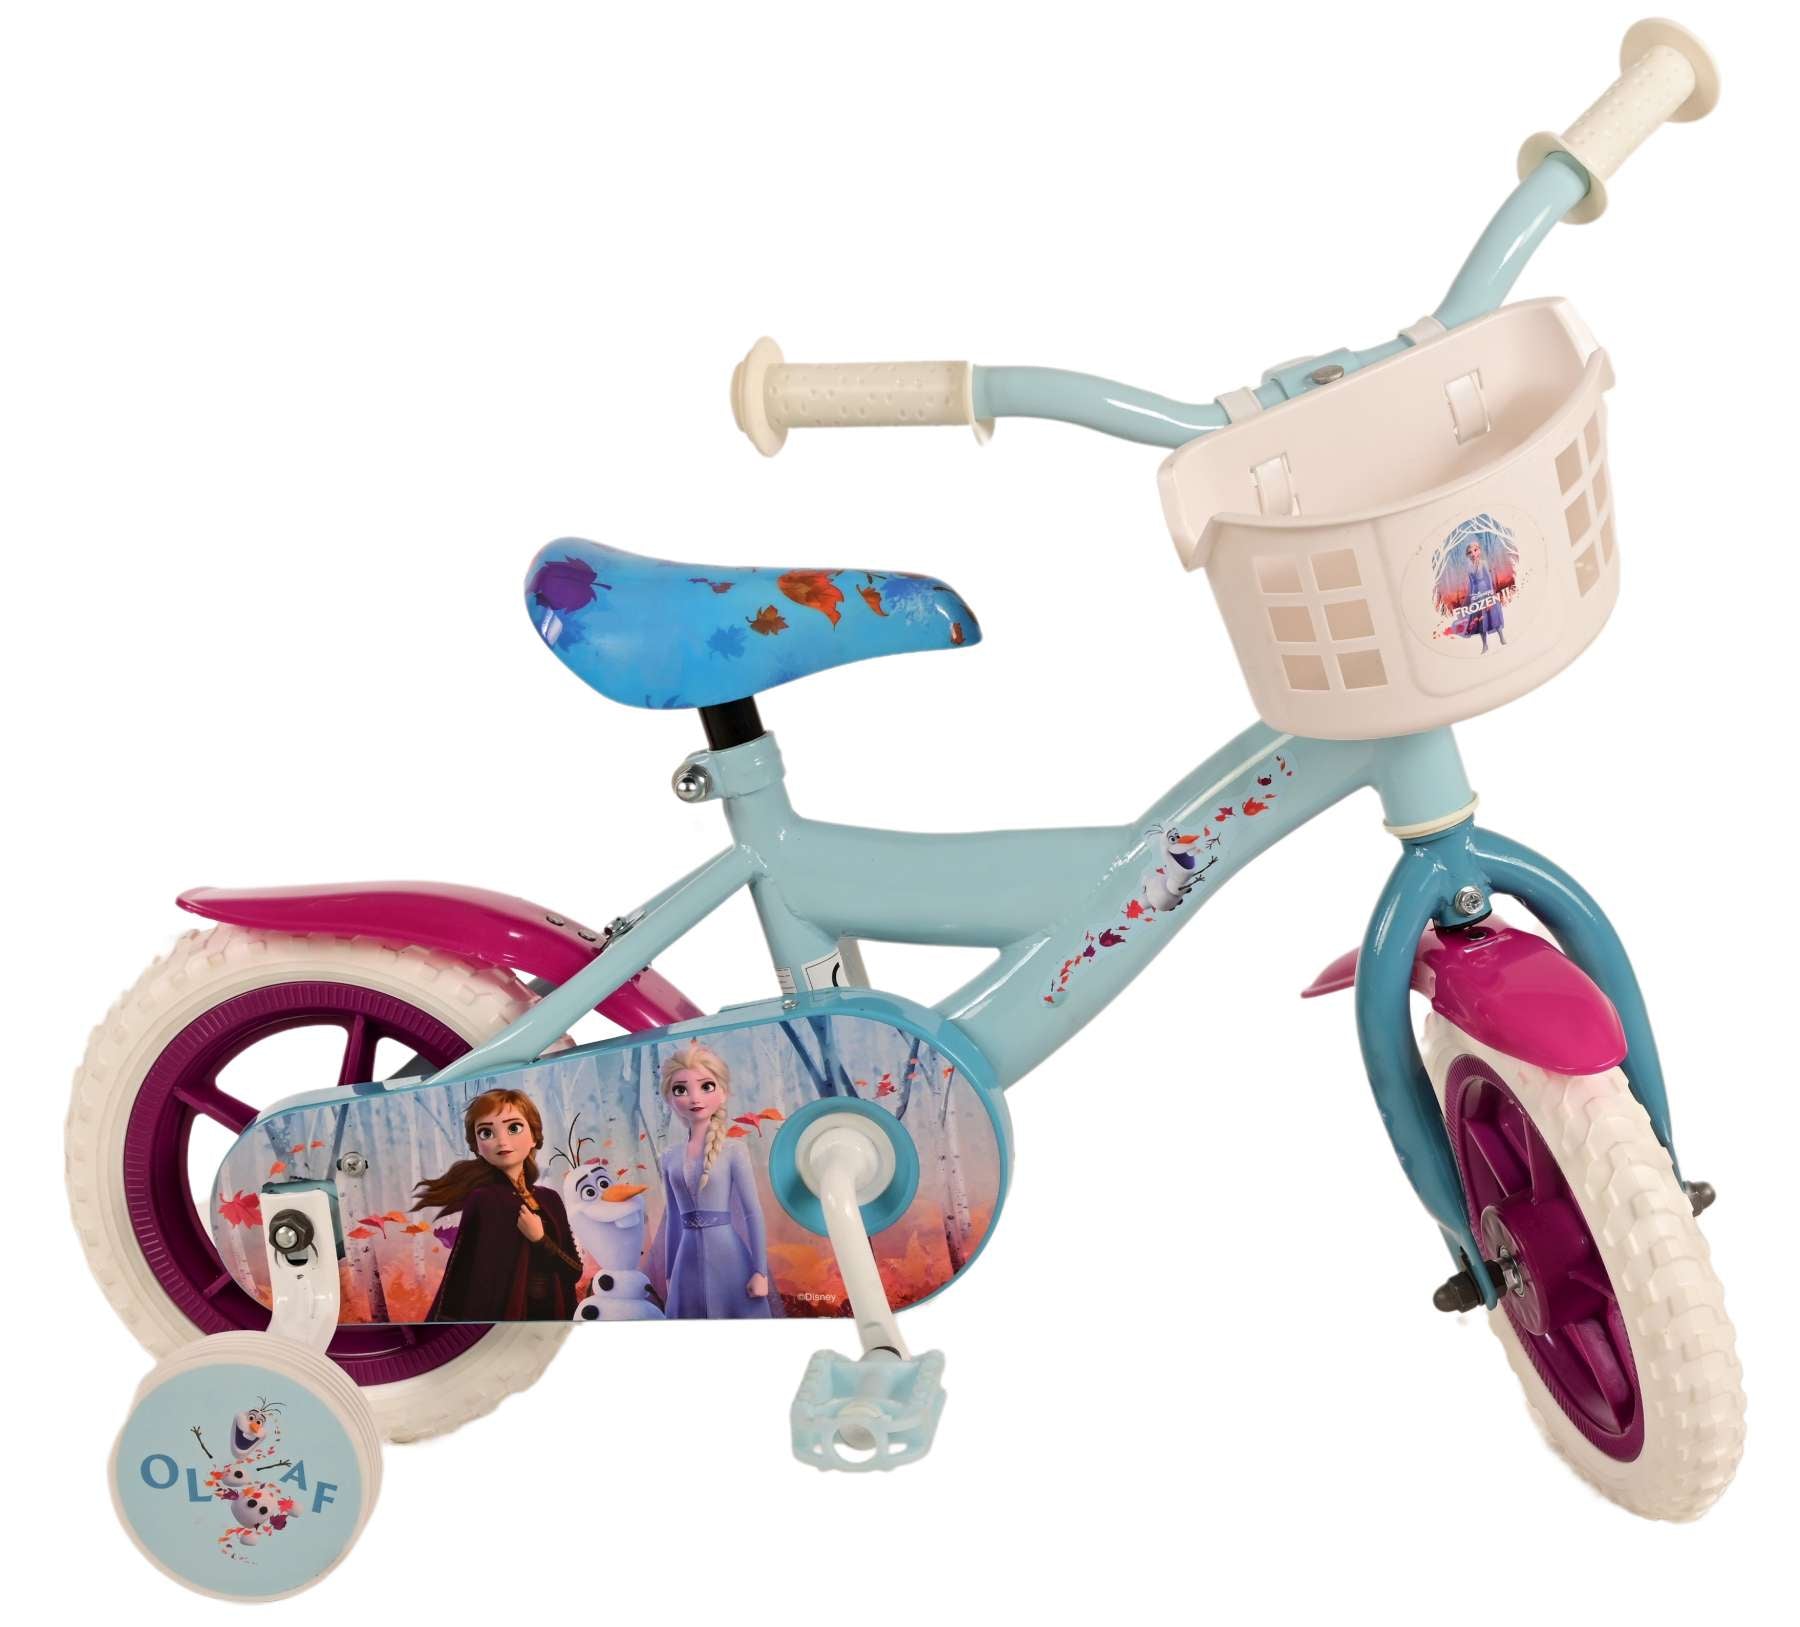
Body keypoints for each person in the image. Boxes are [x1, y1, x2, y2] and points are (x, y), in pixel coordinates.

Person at [413, 1087, 582, 1321]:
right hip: (507, 1326)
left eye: (514, 1128)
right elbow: (464, 1275)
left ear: (534, 1136)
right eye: (486, 1132)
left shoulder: (550, 1199)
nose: (502, 1141)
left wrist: (540, 1240)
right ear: (476, 1146)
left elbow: (573, 1272)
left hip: (554, 1320)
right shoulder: (485, 1200)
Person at [649, 1043, 774, 1318]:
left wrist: (760, 1271)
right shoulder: (669, 1157)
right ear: (669, 1097)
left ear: (724, 1092)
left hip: (729, 1259)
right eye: (680, 1089)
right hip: (685, 1263)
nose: (695, 1098)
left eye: (706, 1086)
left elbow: (753, 1212)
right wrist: (670, 1274)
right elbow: (673, 1219)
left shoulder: (733, 1150)